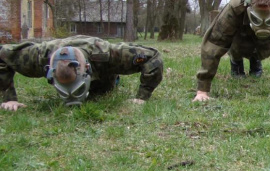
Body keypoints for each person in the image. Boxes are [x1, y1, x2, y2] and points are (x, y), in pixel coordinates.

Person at [0, 35, 164, 111]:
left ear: (87, 69)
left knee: (102, 90)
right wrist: (9, 99)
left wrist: (142, 97)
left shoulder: (109, 55)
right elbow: (2, 56)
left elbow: (153, 57)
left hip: (102, 75)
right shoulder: (36, 58)